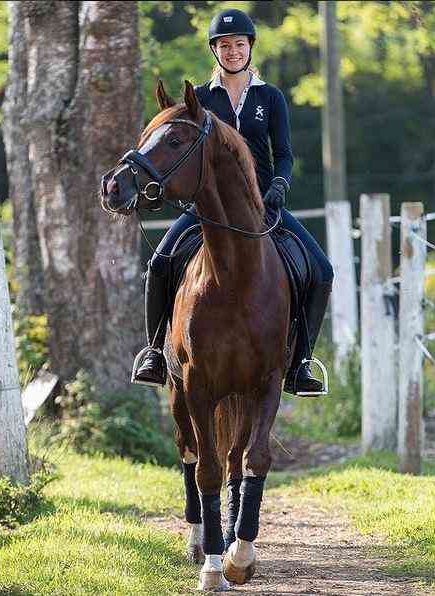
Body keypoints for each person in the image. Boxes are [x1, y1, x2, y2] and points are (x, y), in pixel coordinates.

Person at [132, 8, 334, 395]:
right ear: (215, 51)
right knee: (159, 263)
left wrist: (279, 183)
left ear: (250, 48)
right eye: (225, 46)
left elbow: (285, 153)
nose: (233, 51)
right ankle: (155, 352)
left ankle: (302, 362)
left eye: (239, 44)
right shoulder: (200, 100)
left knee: (322, 270)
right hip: (207, 207)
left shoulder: (270, 97)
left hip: (264, 206)